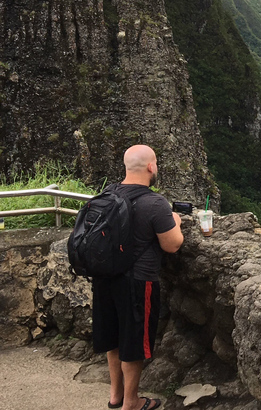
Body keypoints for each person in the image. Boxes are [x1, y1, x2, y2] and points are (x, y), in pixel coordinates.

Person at [91, 145, 184, 410]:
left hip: (104, 278)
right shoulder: (155, 203)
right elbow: (172, 245)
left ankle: (115, 396)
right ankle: (131, 402)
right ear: (151, 167)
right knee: (133, 342)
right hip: (137, 282)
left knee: (113, 338)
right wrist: (175, 221)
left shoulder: (107, 193)